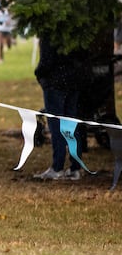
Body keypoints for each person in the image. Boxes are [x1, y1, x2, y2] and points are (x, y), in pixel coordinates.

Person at [33, 35, 90, 180]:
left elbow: (47, 59)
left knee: (57, 125)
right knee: (71, 124)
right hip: (73, 80)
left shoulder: (51, 29)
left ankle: (57, 166)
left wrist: (40, 74)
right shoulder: (76, 29)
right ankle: (75, 167)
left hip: (55, 81)